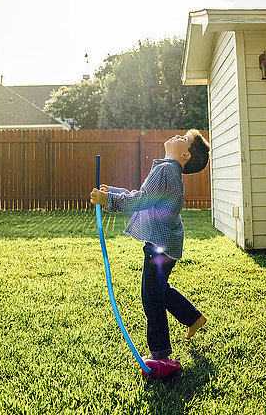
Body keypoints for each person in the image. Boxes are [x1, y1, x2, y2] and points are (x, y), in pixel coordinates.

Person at [90, 129, 210, 362]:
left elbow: (141, 200)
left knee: (151, 296)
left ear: (185, 155)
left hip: (159, 245)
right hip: (166, 244)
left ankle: (160, 355)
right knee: (158, 290)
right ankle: (193, 318)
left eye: (183, 139)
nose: (177, 137)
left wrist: (109, 200)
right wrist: (113, 192)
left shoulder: (166, 170)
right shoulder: (168, 170)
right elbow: (144, 196)